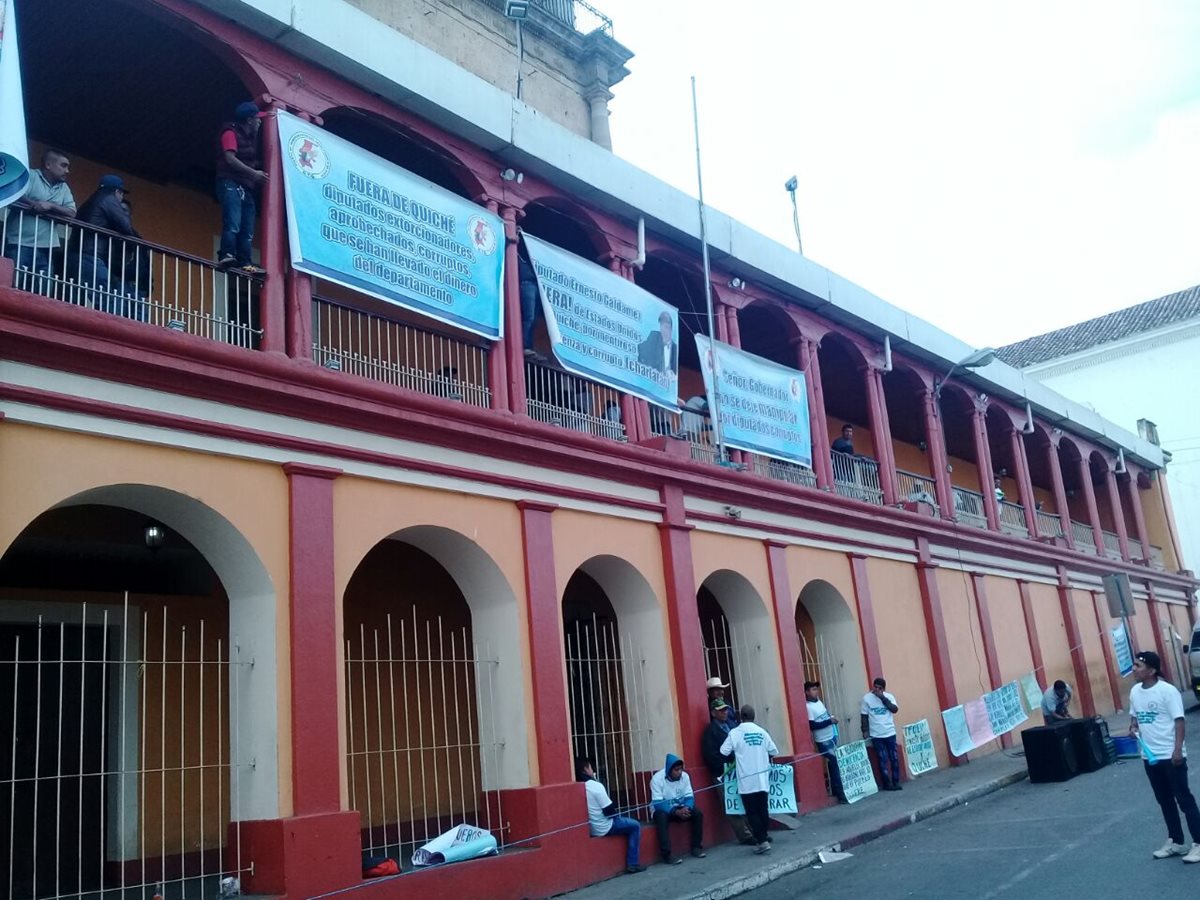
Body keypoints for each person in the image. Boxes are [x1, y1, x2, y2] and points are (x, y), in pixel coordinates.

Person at [1128, 651, 1200, 863]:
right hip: (1149, 756)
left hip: (1170, 755)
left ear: (1151, 670)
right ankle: (1176, 842)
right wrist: (1132, 727)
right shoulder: (1134, 692)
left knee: (1184, 799)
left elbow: (1179, 721)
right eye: (1134, 665)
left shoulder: (1167, 691)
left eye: (1138, 666)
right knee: (1164, 800)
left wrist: (1177, 750)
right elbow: (1135, 718)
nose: (1134, 669)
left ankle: (1198, 842)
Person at [3, 148, 76, 288]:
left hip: (46, 247)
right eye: (63, 165)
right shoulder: (31, 176)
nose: (67, 171)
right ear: (48, 165)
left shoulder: (64, 187)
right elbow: (15, 194)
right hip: (18, 242)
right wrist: (34, 204)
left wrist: (50, 206)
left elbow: (72, 212)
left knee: (44, 289)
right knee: (13, 284)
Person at [74, 175, 141, 317]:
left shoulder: (90, 201)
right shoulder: (109, 199)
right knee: (106, 303)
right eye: (121, 193)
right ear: (117, 191)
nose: (121, 197)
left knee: (84, 296)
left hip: (78, 254)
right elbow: (126, 227)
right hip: (91, 255)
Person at [216, 101, 268, 273]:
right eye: (257, 119)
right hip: (230, 183)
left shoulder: (248, 137)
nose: (259, 122)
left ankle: (245, 262)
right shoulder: (230, 132)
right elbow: (230, 159)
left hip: (245, 186)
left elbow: (248, 159)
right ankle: (226, 254)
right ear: (248, 120)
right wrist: (254, 174)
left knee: (247, 229)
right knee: (233, 223)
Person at [720, 704, 778, 855]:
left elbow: (723, 751)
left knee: (751, 812)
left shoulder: (735, 733)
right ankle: (763, 837)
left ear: (741, 717)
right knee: (763, 810)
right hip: (762, 778)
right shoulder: (762, 732)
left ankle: (762, 841)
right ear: (753, 716)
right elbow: (774, 750)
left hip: (746, 780)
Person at [577, 757, 644, 874]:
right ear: (585, 769)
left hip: (590, 828)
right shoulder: (595, 786)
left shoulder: (577, 787)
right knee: (635, 825)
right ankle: (633, 863)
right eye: (591, 767)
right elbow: (610, 812)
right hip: (605, 826)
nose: (592, 770)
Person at [649, 753, 705, 864]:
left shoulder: (685, 777)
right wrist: (675, 811)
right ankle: (667, 854)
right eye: (676, 770)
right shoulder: (657, 779)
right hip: (663, 809)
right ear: (669, 770)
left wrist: (687, 808)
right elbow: (658, 803)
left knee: (698, 813)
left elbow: (689, 796)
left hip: (681, 808)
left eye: (681, 769)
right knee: (661, 817)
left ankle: (696, 847)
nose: (679, 772)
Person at [806, 681, 845, 802]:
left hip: (831, 736)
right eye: (813, 689)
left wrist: (831, 719)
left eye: (816, 689)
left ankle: (835, 788)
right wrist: (829, 722)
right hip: (823, 740)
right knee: (834, 761)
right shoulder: (808, 707)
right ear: (807, 692)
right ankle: (840, 793)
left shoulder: (819, 702)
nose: (816, 691)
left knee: (834, 763)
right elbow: (812, 725)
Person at [861, 677, 902, 791]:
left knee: (894, 758)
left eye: (880, 688)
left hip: (889, 732)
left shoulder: (889, 697)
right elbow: (864, 716)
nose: (877, 690)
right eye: (875, 687)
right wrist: (865, 730)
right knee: (882, 759)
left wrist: (882, 698)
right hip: (876, 735)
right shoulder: (867, 698)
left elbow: (894, 709)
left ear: (883, 689)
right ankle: (887, 783)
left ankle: (896, 781)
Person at [517, 249, 539, 356]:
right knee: (529, 317)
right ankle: (525, 346)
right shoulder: (520, 251)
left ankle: (529, 346)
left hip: (536, 286)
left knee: (533, 318)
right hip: (527, 283)